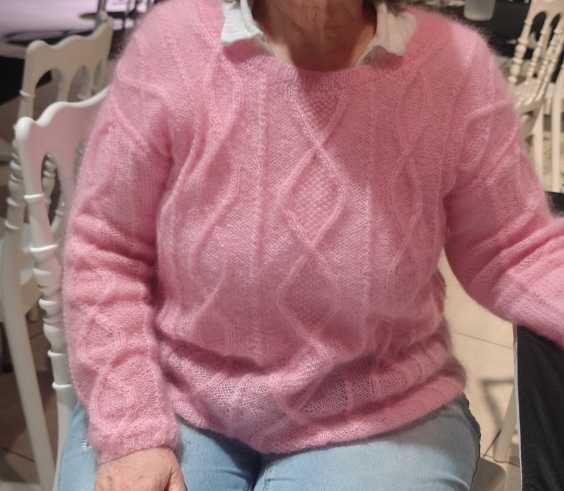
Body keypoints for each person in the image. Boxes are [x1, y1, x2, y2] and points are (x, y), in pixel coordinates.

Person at [58, 0, 564, 489]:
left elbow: (513, 247)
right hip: (177, 390)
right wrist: (132, 430)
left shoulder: (452, 65)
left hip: (382, 405)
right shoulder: (172, 44)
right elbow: (106, 249)